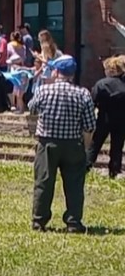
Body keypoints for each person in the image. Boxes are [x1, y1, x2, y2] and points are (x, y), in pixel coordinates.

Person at [28, 55, 95, 233]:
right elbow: (89, 126)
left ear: (56, 71)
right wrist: (85, 148)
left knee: (43, 181)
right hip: (73, 144)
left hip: (47, 143)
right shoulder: (83, 94)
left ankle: (39, 220)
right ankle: (73, 222)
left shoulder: (43, 90)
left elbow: (32, 109)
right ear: (72, 74)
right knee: (74, 184)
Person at [87, 55, 125, 178]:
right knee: (117, 146)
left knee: (95, 144)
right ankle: (114, 171)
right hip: (122, 119)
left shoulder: (101, 84)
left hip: (104, 117)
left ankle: (86, 166)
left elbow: (92, 101)